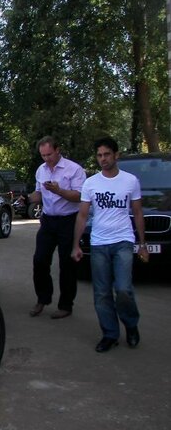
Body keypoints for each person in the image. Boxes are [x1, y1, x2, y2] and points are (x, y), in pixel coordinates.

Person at [71, 136, 147, 353]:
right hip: (99, 244)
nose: (102, 159)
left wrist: (143, 244)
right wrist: (76, 245)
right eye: (99, 155)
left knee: (123, 289)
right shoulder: (91, 183)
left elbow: (138, 213)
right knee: (102, 292)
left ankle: (131, 325)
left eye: (106, 154)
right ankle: (110, 334)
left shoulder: (130, 181)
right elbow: (83, 216)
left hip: (123, 241)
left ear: (116, 155)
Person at [28, 135, 87, 319]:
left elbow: (79, 196)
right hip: (48, 220)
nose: (47, 159)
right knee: (39, 260)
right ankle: (43, 298)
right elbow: (38, 194)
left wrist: (58, 190)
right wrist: (27, 199)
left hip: (68, 220)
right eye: (43, 155)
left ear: (57, 150)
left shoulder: (74, 169)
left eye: (49, 154)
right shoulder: (41, 170)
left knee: (67, 264)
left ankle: (66, 305)